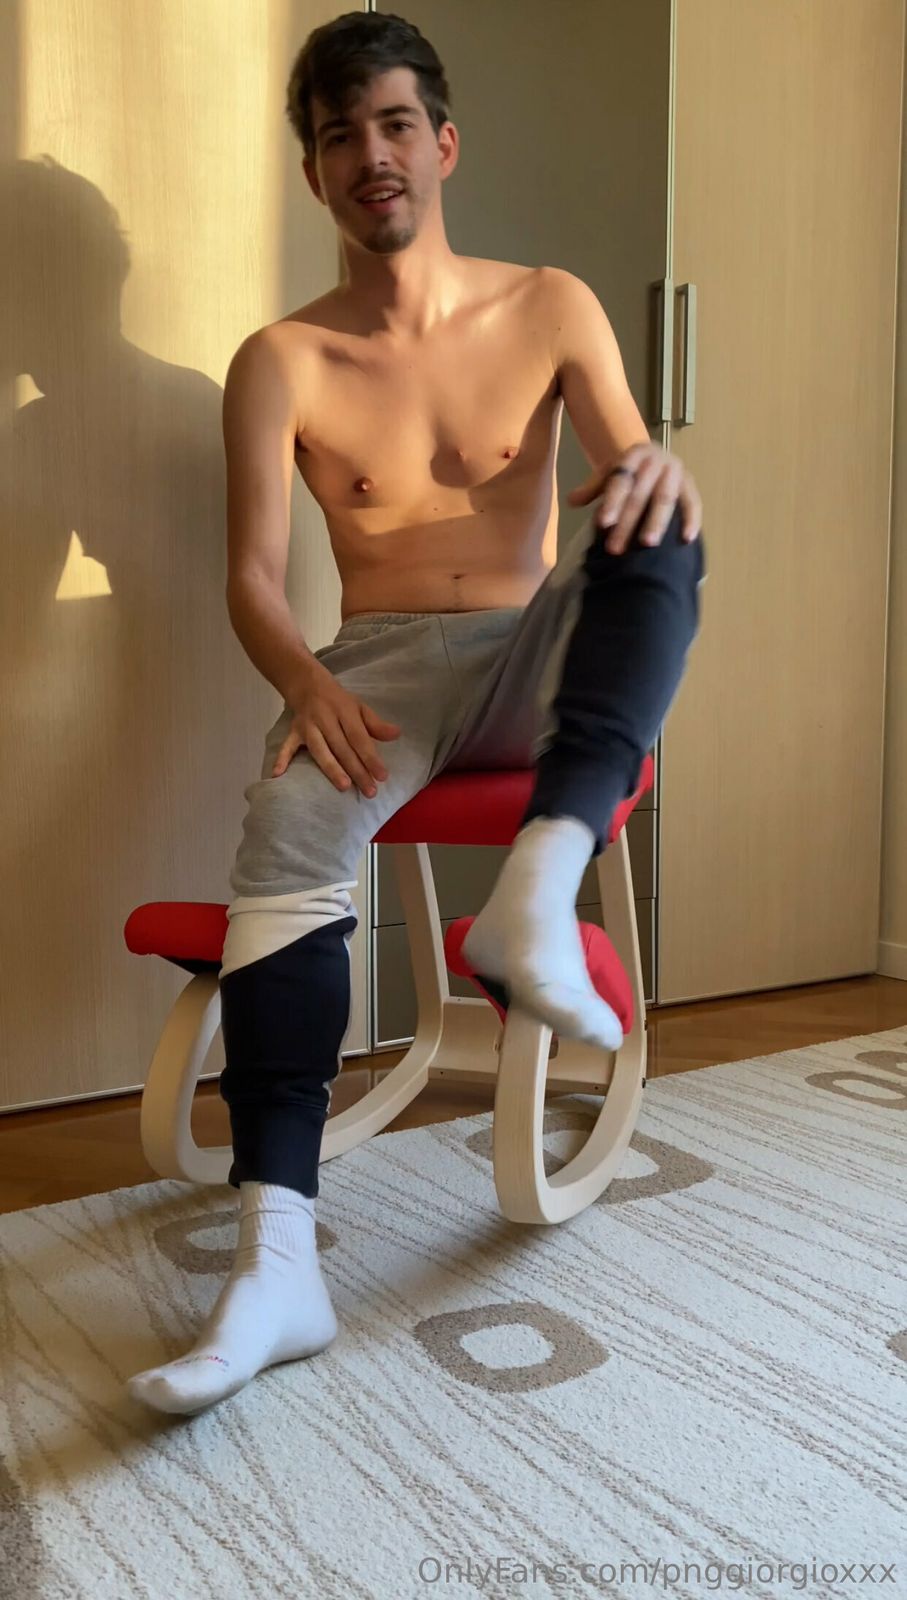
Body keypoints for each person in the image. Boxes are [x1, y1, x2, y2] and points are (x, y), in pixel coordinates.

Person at [128, 10, 705, 1415]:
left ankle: (536, 893)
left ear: (443, 144)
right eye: (341, 136)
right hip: (376, 669)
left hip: (531, 650)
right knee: (284, 829)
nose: (371, 154)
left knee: (665, 513)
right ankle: (277, 1260)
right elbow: (254, 578)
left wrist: (655, 469)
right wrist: (304, 680)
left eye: (394, 124)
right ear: (316, 173)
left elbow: (628, 470)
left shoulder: (550, 304)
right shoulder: (281, 359)